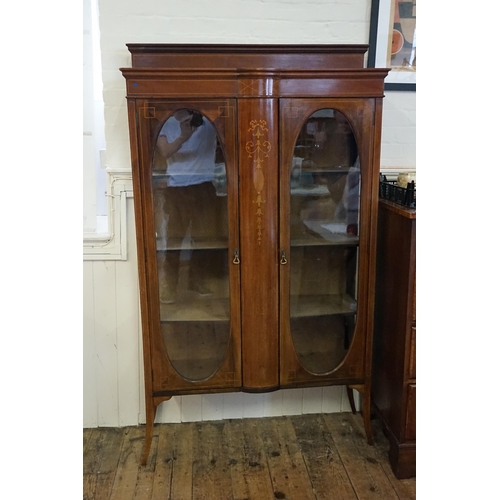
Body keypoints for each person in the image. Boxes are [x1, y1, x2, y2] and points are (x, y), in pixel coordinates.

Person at [153, 109, 220, 304]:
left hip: (204, 185)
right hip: (177, 188)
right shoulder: (166, 122)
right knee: (174, 237)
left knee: (204, 238)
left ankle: (196, 281)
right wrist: (184, 136)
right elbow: (165, 151)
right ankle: (170, 286)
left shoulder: (208, 119)